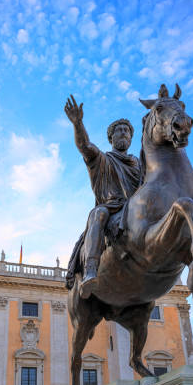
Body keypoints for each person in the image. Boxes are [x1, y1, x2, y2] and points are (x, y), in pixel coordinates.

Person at [64, 95, 144, 298]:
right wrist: (77, 123)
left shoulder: (141, 164)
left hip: (137, 207)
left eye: (127, 131)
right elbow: (84, 146)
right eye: (119, 130)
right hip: (111, 207)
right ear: (111, 138)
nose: (124, 133)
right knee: (97, 214)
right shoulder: (102, 159)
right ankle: (91, 269)